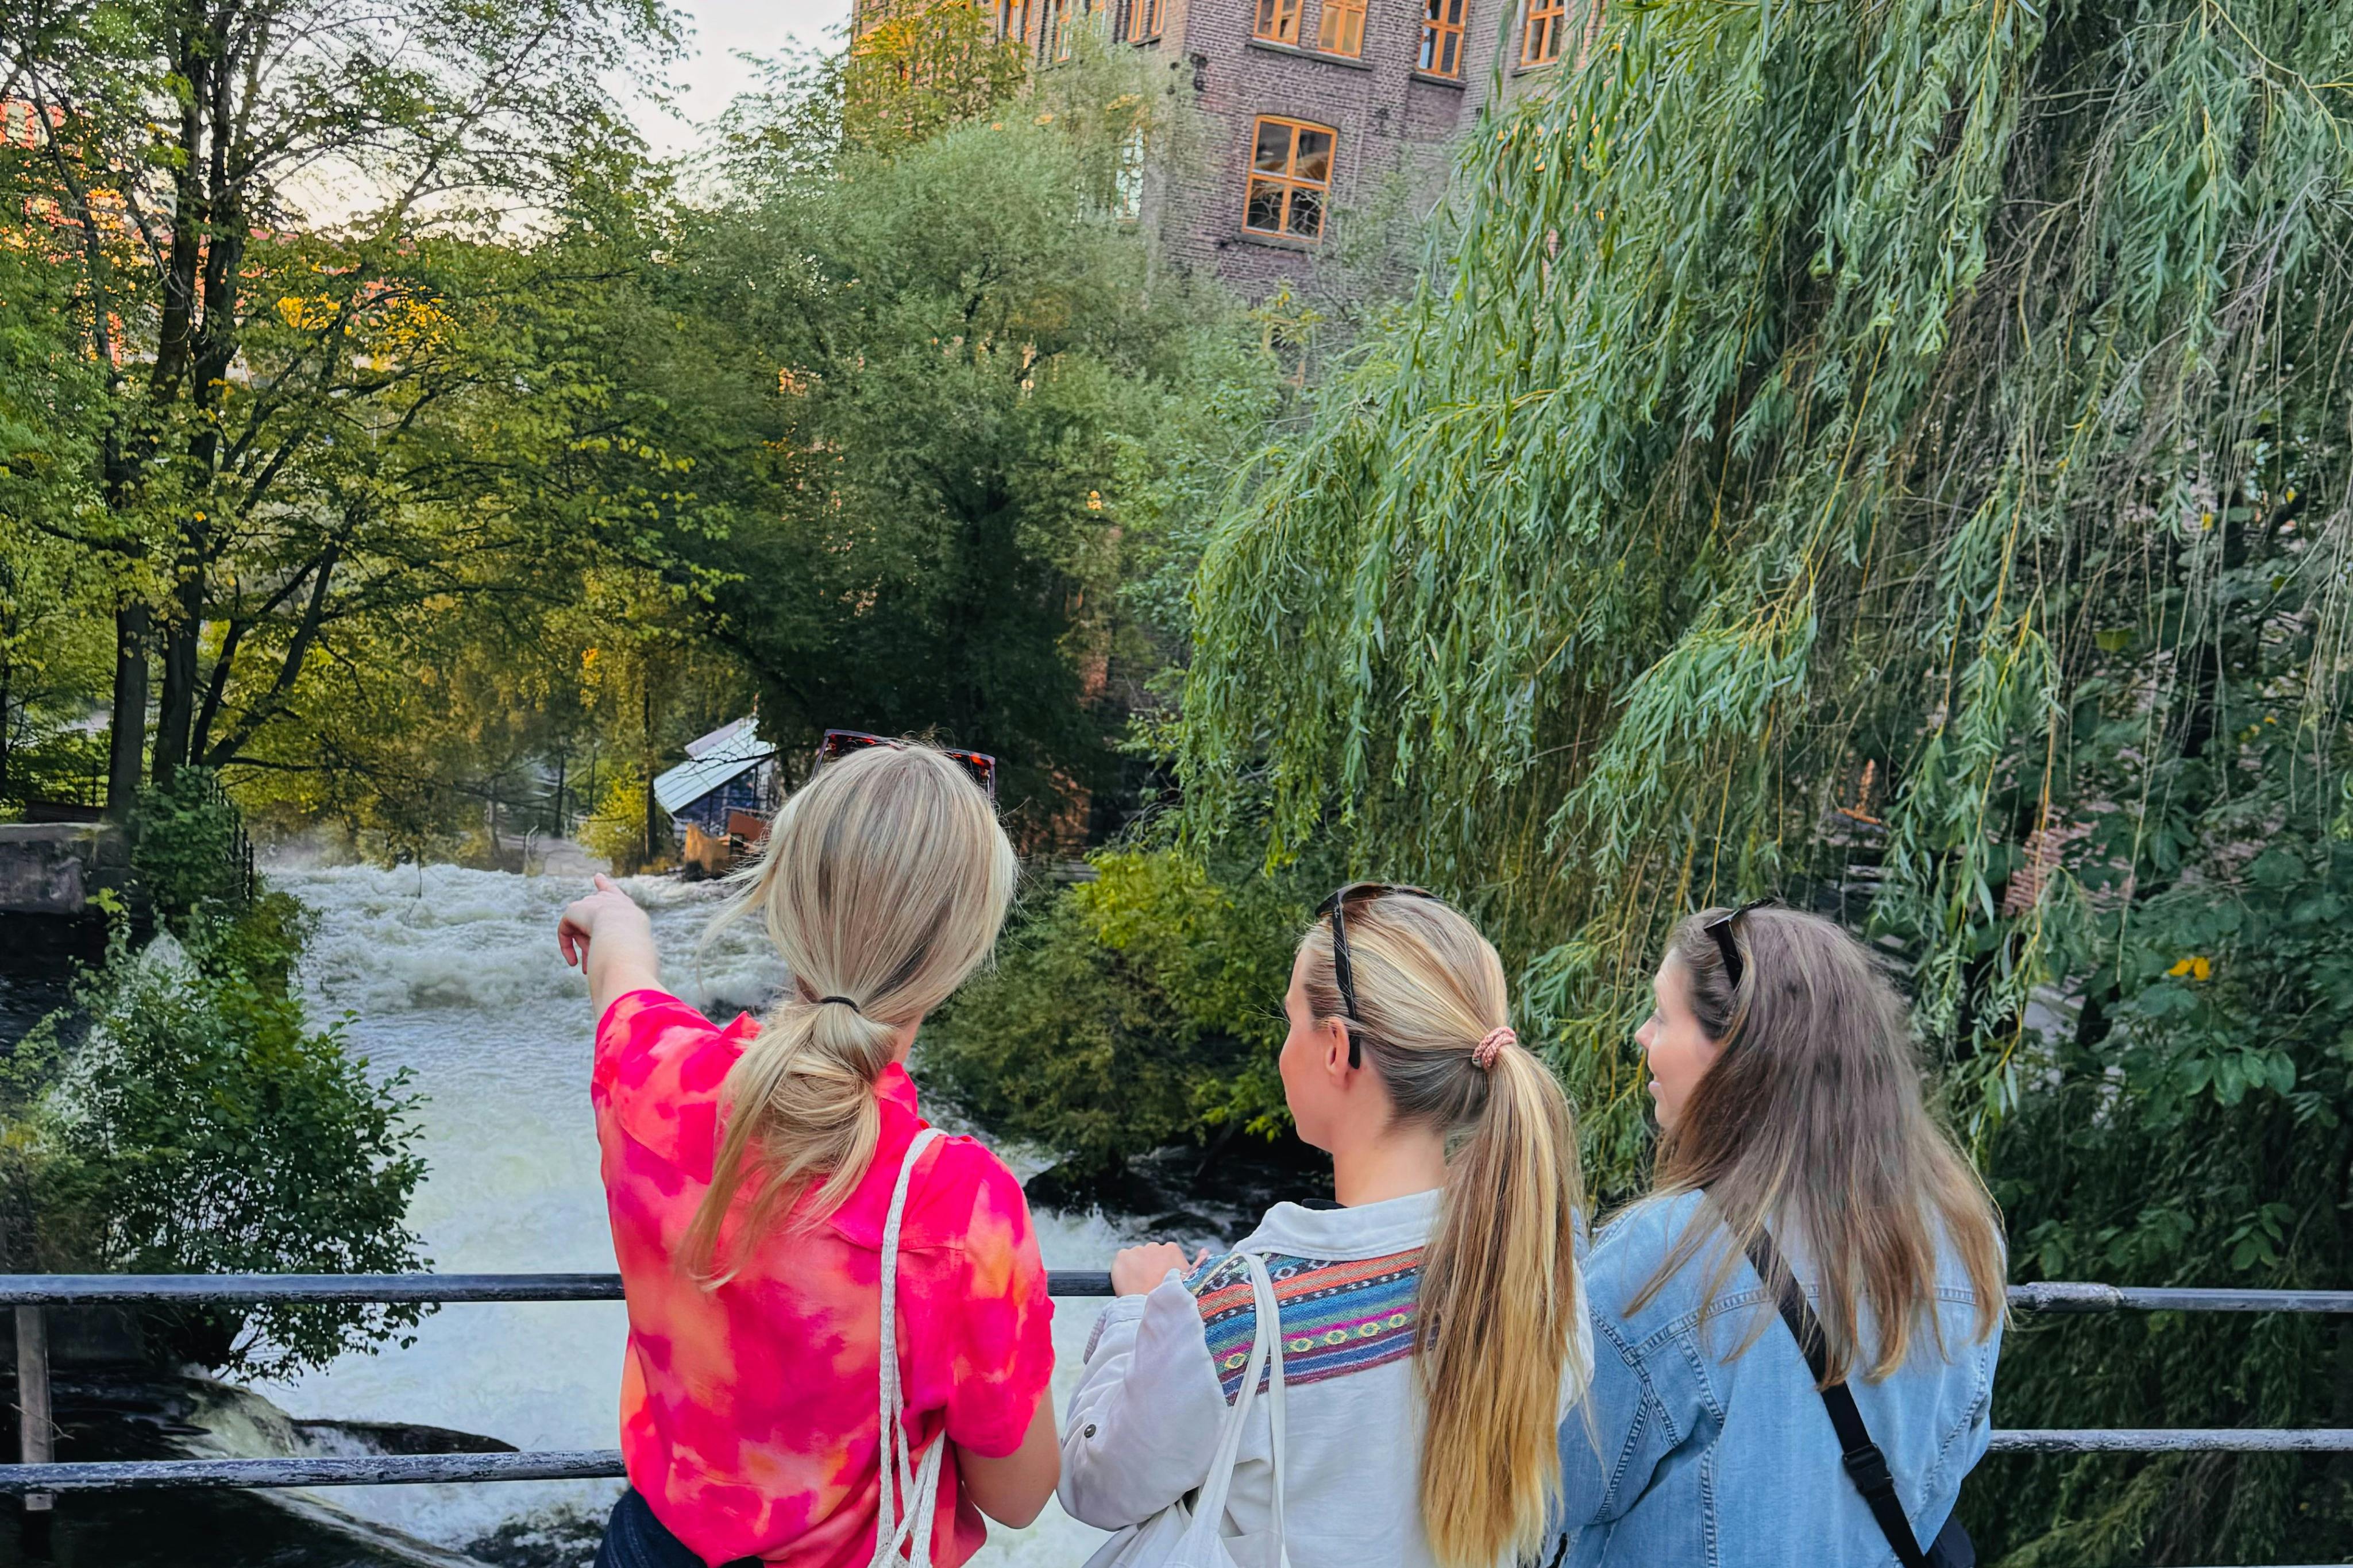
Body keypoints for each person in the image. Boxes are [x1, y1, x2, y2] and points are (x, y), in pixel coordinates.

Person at [556, 740, 1059, 1568]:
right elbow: (1018, 1493)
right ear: (960, 953)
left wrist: (616, 921)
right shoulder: (957, 1204)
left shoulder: (652, 1072)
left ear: (781, 900)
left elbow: (624, 983)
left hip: (651, 1548)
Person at [1060, 885, 1588, 1568]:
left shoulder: (1238, 1315)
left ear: (1337, 1048)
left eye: (1291, 1022)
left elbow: (1092, 1483)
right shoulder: (1540, 1271)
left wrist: (1139, 1311)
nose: (1285, 1049)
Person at [1555, 902, 2007, 1566]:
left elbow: (1553, 1485)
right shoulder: (1964, 1242)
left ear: (1737, 1053)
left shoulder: (1669, 1256)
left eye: (1660, 1015)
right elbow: (1949, 1463)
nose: (1641, 1036)